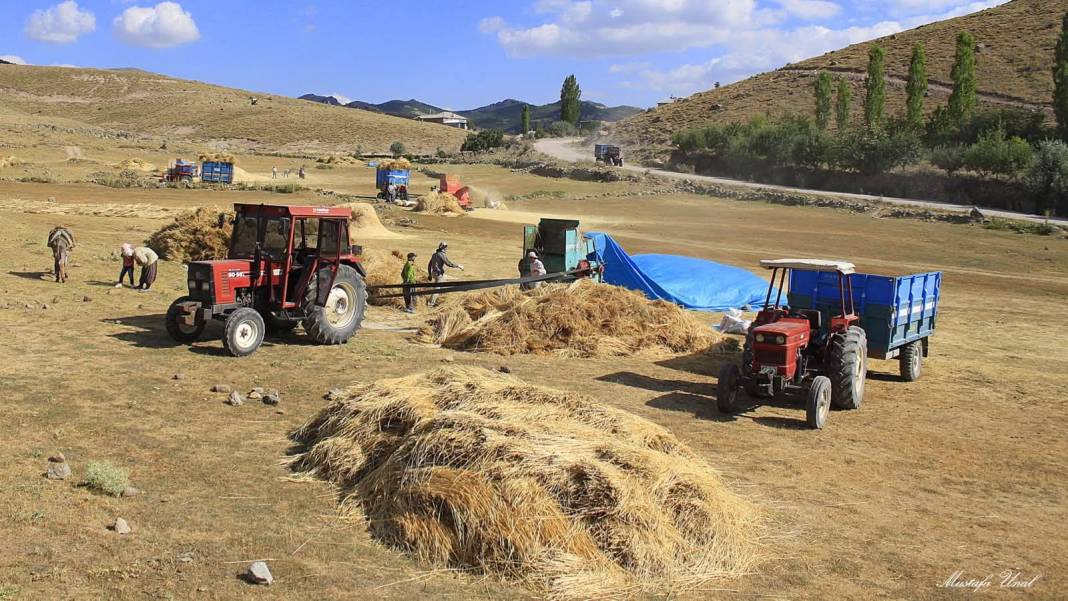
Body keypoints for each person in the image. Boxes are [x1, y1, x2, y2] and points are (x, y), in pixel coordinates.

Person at [426, 242, 463, 307]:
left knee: (444, 286)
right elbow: (448, 263)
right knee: (437, 289)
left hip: (434, 273)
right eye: (446, 247)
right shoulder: (442, 254)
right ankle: (430, 304)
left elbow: (429, 265)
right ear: (443, 248)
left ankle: (440, 301)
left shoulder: (434, 254)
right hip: (438, 274)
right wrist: (458, 266)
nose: (446, 249)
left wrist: (429, 274)